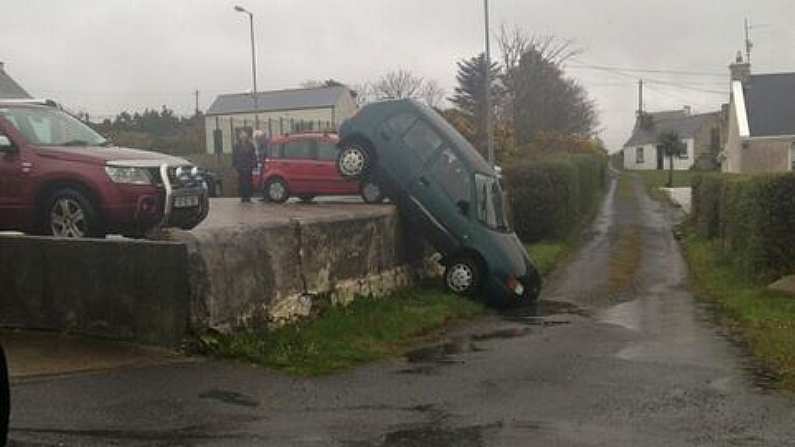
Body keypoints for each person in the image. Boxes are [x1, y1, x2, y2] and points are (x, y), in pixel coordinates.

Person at [232, 130, 257, 203]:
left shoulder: (250, 145)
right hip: (240, 167)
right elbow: (234, 156)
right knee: (241, 182)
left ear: (247, 137)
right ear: (240, 137)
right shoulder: (236, 145)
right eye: (242, 136)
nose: (243, 137)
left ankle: (248, 197)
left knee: (249, 182)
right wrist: (235, 165)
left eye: (244, 136)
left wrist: (253, 164)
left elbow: (253, 155)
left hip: (248, 166)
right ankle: (243, 197)